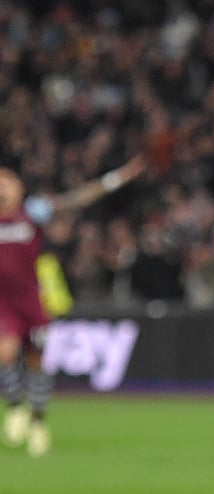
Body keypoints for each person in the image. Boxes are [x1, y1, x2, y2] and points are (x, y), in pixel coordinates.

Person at [0, 156, 145, 457]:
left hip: (31, 301)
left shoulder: (32, 213)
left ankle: (38, 420)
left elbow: (77, 198)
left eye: (6, 183)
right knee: (4, 353)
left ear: (19, 188)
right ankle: (15, 406)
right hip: (4, 303)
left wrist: (116, 177)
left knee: (36, 362)